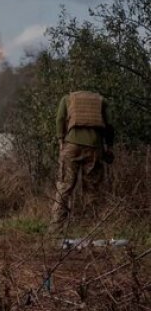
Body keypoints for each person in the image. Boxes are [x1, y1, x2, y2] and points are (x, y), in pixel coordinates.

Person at [49, 90, 115, 235]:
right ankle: (92, 230)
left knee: (64, 187)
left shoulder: (67, 98)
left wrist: (61, 140)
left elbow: (60, 119)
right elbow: (109, 126)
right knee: (92, 190)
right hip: (95, 148)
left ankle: (55, 229)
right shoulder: (102, 100)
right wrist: (109, 147)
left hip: (71, 146)